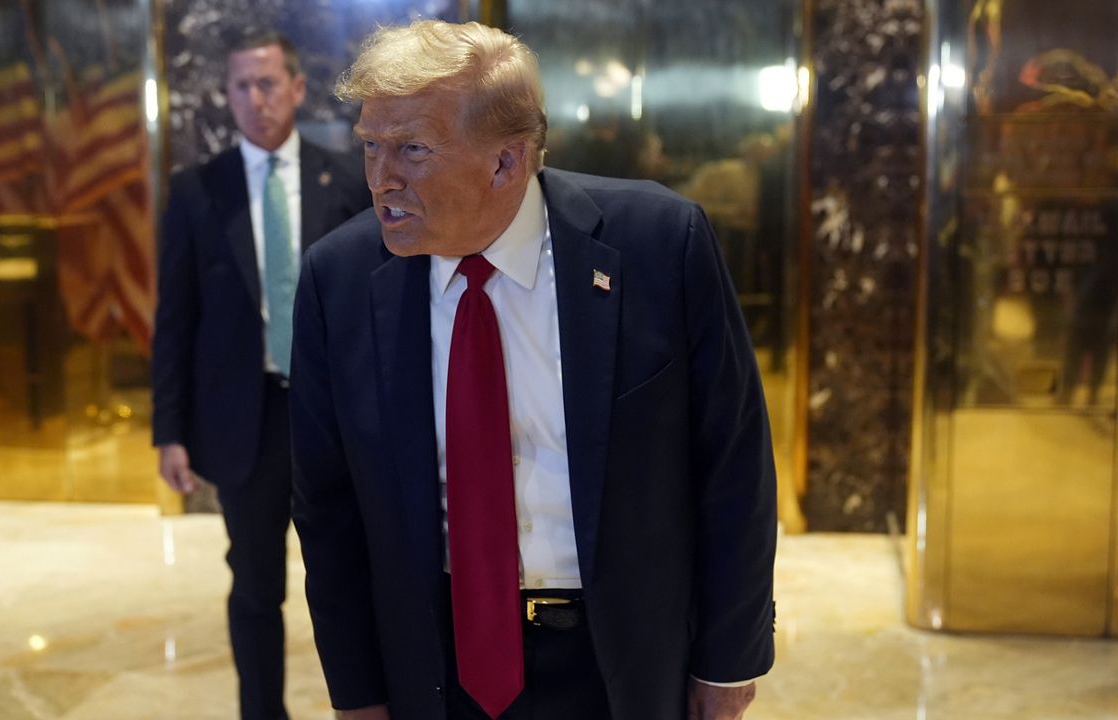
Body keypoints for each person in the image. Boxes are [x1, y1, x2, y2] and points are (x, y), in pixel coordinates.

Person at [290, 20, 776, 720]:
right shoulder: (337, 280)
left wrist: (729, 661)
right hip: (433, 664)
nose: (380, 178)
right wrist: (358, 692)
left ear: (507, 162)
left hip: (618, 665)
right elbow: (327, 510)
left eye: (413, 150)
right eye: (370, 145)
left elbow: (733, 466)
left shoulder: (660, 245)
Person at [150, 30, 371, 720]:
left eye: (267, 83)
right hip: (244, 422)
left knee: (351, 574)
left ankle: (367, 703)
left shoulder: (348, 179)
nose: (255, 98)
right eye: (241, 85)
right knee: (255, 584)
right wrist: (170, 431)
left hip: (334, 416)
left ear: (298, 89)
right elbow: (175, 319)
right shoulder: (197, 192)